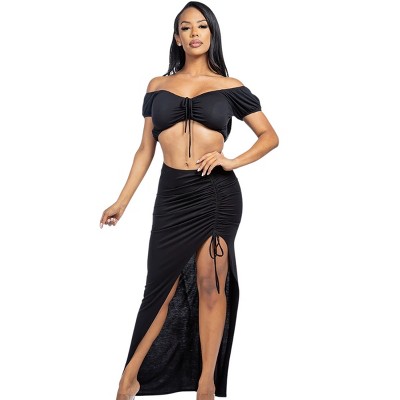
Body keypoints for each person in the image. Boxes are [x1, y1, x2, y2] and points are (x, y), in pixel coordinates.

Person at [100, 2, 279, 399]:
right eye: (186, 27)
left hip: (216, 195)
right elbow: (145, 149)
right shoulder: (156, 86)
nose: (195, 33)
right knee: (158, 289)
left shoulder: (230, 86)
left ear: (212, 34)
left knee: (211, 282)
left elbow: (270, 137)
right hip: (172, 195)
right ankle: (129, 380)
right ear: (177, 37)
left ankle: (206, 383)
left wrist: (231, 160)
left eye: (202, 26)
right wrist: (121, 201)